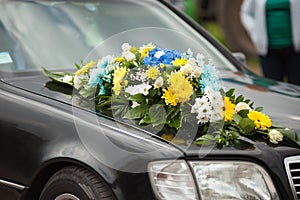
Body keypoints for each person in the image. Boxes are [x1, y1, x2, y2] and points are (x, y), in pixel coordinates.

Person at [240, 0, 300, 85]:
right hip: (268, 51)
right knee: (272, 87)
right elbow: (246, 13)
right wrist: (254, 31)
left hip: (295, 50)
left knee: (297, 86)